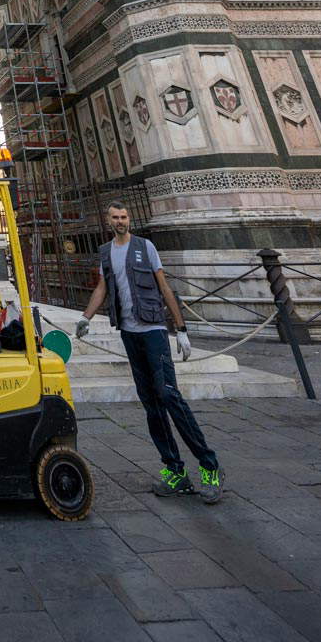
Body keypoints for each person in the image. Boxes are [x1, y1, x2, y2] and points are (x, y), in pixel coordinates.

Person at [76, 201, 224, 503]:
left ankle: (209, 466)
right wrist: (85, 317)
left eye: (125, 216)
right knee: (151, 403)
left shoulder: (146, 247)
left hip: (154, 331)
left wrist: (180, 329)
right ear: (108, 222)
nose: (121, 221)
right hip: (130, 334)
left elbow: (164, 287)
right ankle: (175, 470)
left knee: (169, 394)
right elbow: (103, 288)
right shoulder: (106, 253)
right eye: (116, 217)